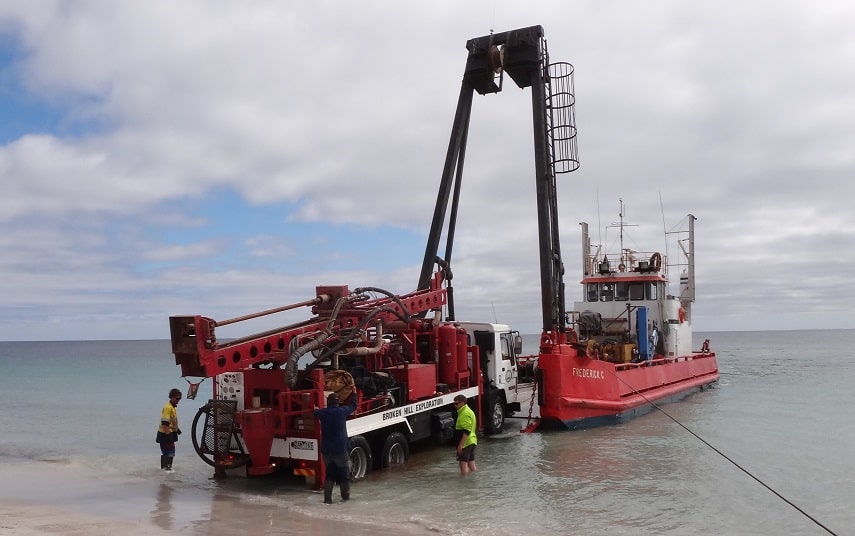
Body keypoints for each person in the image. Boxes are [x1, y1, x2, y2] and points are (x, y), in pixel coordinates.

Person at [314, 391, 358, 504]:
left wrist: (315, 408)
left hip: (327, 451)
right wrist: (354, 394)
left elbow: (315, 412)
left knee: (330, 475)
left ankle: (327, 501)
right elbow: (353, 406)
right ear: (338, 403)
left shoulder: (323, 413)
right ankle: (346, 500)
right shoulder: (341, 412)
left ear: (328, 402)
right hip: (340, 450)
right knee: (344, 475)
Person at [156, 388, 182, 471]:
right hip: (165, 433)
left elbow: (171, 421)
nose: (178, 401)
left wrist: (177, 429)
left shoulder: (172, 407)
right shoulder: (168, 408)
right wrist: (168, 434)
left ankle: (164, 470)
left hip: (166, 433)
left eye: (179, 399)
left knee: (166, 453)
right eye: (177, 398)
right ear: (172, 397)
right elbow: (165, 422)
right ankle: (168, 470)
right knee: (171, 452)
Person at [453, 394, 477, 476]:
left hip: (466, 443)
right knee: (471, 464)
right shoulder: (468, 410)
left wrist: (461, 445)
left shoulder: (464, 413)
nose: (454, 406)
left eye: (456, 404)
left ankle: (464, 485)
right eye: (454, 404)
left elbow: (467, 430)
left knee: (463, 465)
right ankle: (474, 480)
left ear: (462, 403)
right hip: (472, 441)